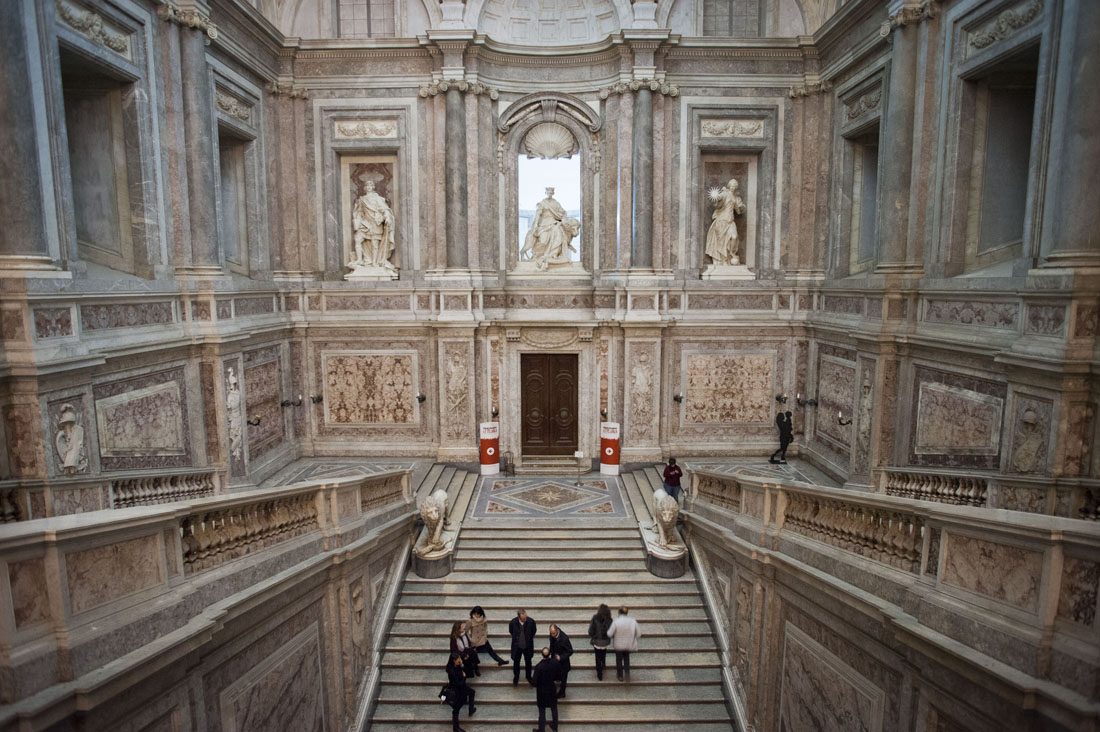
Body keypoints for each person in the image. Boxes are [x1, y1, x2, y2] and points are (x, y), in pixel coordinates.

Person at [350, 180, 396, 270]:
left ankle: (375, 262)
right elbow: (359, 211)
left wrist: (387, 216)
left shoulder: (378, 199)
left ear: (373, 187)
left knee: (375, 244)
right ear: (364, 188)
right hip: (365, 223)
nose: (368, 187)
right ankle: (359, 260)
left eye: (370, 186)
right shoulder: (361, 199)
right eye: (367, 186)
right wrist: (357, 220)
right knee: (357, 239)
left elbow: (384, 209)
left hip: (375, 223)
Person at [704, 178, 747, 266]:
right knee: (721, 241)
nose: (733, 187)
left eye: (734, 186)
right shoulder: (725, 194)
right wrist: (716, 197)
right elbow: (718, 201)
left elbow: (739, 210)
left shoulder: (736, 197)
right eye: (731, 185)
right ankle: (722, 259)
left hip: (730, 221)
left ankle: (731, 254)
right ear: (729, 186)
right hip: (721, 220)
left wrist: (742, 207)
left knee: (734, 237)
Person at [531, 647, 562, 732]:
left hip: (541, 691)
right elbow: (559, 676)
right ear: (549, 654)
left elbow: (534, 682)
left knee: (542, 710)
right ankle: (555, 727)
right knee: (554, 708)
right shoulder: (555, 663)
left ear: (542, 655)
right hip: (551, 689)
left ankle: (541, 729)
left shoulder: (538, 666)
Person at [607, 606, 640, 682]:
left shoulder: (616, 621)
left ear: (619, 612)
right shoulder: (632, 621)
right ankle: (627, 674)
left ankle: (620, 675)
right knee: (626, 659)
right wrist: (634, 640)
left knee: (619, 660)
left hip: (618, 645)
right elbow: (639, 633)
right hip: (628, 644)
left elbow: (609, 634)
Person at [444, 654, 476, 732]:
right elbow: (458, 683)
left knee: (472, 692)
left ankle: (471, 709)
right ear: (454, 661)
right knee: (456, 709)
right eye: (458, 659)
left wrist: (462, 666)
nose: (460, 660)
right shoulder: (451, 672)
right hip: (457, 691)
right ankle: (456, 728)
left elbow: (466, 671)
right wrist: (464, 677)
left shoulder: (457, 666)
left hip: (462, 688)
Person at [509, 608, 537, 685]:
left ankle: (528, 676)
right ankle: (516, 676)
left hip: (527, 646)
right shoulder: (513, 622)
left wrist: (528, 638)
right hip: (517, 646)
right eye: (523, 618)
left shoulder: (531, 621)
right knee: (516, 662)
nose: (525, 619)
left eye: (526, 617)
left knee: (528, 662)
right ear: (519, 617)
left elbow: (534, 631)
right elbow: (511, 631)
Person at [587, 603, 612, 680]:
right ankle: (603, 663)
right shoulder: (609, 619)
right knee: (603, 652)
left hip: (597, 641)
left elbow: (590, 630)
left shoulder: (595, 618)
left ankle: (599, 673)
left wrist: (592, 636)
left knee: (597, 656)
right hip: (605, 641)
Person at [548, 624, 573, 698]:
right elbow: (552, 644)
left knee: (564, 678)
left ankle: (562, 693)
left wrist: (561, 657)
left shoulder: (564, 639)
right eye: (551, 633)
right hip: (555, 660)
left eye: (553, 633)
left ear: (557, 631)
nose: (552, 635)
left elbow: (570, 651)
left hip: (563, 663)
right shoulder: (552, 635)